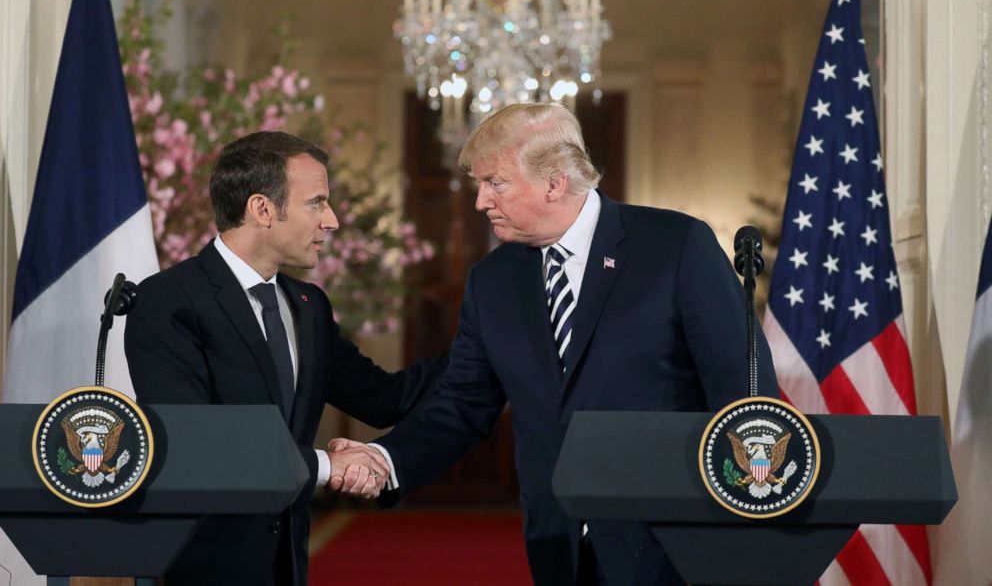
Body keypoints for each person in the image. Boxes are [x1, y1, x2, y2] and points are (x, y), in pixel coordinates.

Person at [332, 103, 778, 585]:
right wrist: (385, 458)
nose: (481, 201)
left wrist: (745, 518)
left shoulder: (675, 246)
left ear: (555, 181)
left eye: (495, 182)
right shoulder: (492, 281)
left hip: (674, 538)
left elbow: (742, 390)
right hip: (557, 540)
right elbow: (462, 403)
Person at [124, 130, 445, 585]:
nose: (331, 220)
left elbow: (386, 398)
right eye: (317, 202)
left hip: (288, 564)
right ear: (262, 209)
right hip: (205, 567)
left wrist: (486, 348)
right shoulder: (169, 301)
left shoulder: (308, 307)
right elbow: (196, 445)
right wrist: (328, 466)